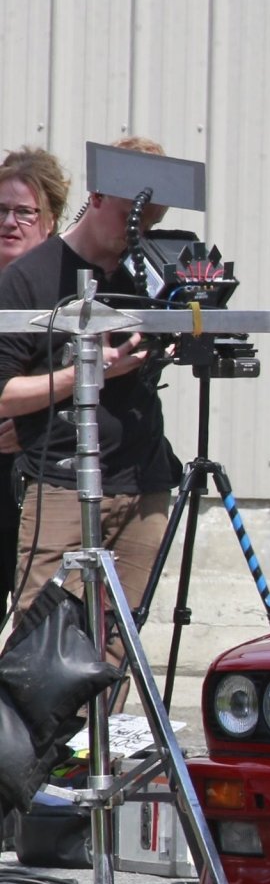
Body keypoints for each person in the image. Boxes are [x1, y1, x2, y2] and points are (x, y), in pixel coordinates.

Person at [0, 136, 179, 645]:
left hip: (142, 482)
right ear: (97, 197)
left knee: (119, 646)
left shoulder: (145, 273)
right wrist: (86, 373)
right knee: (42, 647)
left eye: (151, 224)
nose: (139, 234)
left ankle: (109, 706)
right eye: (131, 218)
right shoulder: (30, 278)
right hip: (61, 482)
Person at [0, 148, 71, 618]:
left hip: (47, 483)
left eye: (24, 212)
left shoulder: (70, 291)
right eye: (1, 210)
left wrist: (31, 420)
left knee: (39, 626)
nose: (9, 222)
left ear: (50, 221)